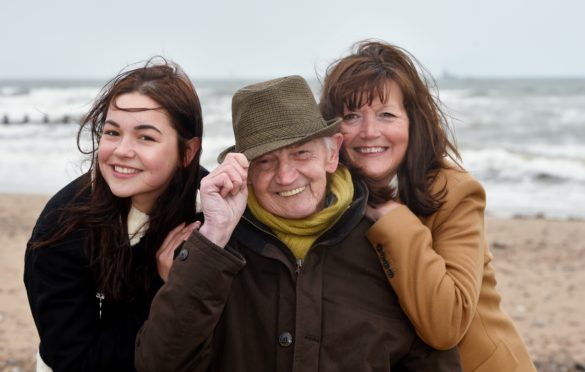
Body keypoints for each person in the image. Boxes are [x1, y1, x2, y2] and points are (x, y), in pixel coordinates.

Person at [134, 75, 461, 371]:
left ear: (332, 153)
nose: (286, 176)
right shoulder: (212, 249)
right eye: (265, 161)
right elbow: (158, 364)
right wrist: (214, 236)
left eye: (302, 153)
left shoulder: (385, 242)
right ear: (243, 170)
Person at [319, 40, 536, 372]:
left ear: (412, 121)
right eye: (351, 116)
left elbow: (446, 324)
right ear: (333, 131)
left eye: (386, 115)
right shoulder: (331, 196)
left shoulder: (456, 192)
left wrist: (393, 219)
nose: (369, 132)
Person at [24, 59, 203, 372]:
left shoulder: (208, 210)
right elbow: (74, 359)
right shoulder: (62, 227)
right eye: (112, 132)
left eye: (145, 137)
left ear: (187, 152)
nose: (122, 150)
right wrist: (166, 290)